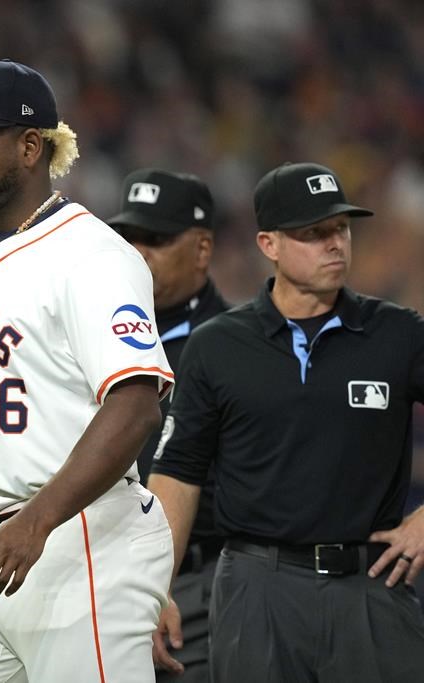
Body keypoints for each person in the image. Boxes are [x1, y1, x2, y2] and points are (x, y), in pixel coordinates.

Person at [0, 59, 175, 682]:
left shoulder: (93, 254)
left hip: (87, 540)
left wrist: (36, 521)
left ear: (30, 146)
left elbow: (136, 406)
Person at [148, 161, 424, 682]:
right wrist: (156, 585)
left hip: (371, 584)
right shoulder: (218, 345)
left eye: (340, 228)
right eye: (313, 233)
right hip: (257, 586)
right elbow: (178, 473)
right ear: (269, 244)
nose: (335, 244)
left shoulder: (397, 335)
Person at [106, 169, 229, 681]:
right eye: (129, 238)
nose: (138, 252)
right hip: (96, 573)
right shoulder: (96, 335)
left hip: (194, 585)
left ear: (202, 249)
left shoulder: (236, 346)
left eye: (155, 239)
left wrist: (162, 581)